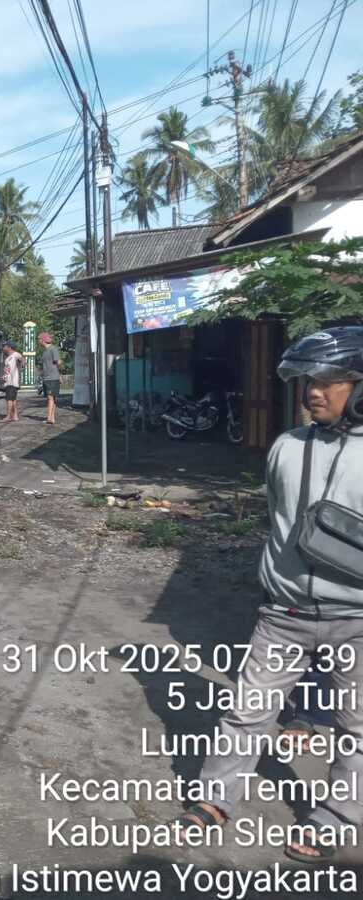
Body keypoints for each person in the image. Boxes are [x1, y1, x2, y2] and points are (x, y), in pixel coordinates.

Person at [176, 327, 363, 864]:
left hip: (358, 617)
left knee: (354, 725)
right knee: (248, 712)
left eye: (331, 381)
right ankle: (215, 797)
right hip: (283, 613)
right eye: (309, 381)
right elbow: (277, 516)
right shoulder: (286, 446)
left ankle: (335, 815)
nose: (314, 391)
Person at [39, 332, 62, 425]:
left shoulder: (53, 349)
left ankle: (49, 418)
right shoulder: (45, 351)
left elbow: (58, 362)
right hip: (47, 377)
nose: (38, 341)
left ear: (43, 340)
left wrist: (59, 375)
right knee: (51, 398)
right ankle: (51, 418)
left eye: (39, 339)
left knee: (50, 397)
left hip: (52, 377)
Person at [1, 341, 24, 422]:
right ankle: (15, 416)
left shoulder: (15, 354)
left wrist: (22, 363)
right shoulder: (8, 357)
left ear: (9, 347)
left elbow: (22, 360)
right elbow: (7, 370)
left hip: (13, 380)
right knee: (13, 399)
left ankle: (8, 416)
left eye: (4, 346)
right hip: (8, 380)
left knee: (9, 399)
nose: (3, 348)